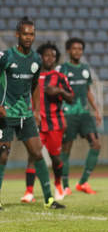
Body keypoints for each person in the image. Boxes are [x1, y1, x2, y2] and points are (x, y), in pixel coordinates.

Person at [0, 17, 65, 209]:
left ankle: (49, 199)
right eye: (25, 34)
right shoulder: (6, 56)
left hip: (25, 115)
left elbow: (35, 86)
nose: (28, 37)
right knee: (2, 154)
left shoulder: (36, 60)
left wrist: (36, 110)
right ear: (17, 35)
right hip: (5, 114)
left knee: (37, 153)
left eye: (32, 34)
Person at [21, 42, 74, 203]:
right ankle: (29, 191)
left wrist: (59, 91)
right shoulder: (31, 76)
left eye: (53, 55)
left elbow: (71, 98)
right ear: (40, 57)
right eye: (46, 55)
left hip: (55, 124)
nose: (50, 58)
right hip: (35, 123)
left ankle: (58, 184)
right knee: (33, 155)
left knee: (55, 158)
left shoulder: (59, 77)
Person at [58, 38, 102, 195]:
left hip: (84, 113)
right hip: (68, 114)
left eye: (80, 49)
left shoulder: (85, 68)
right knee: (66, 149)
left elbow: (88, 91)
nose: (77, 51)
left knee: (96, 144)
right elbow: (55, 90)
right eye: (74, 49)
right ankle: (64, 185)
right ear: (68, 51)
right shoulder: (62, 69)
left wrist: (96, 109)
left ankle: (83, 182)